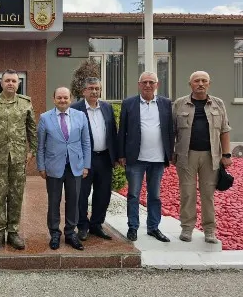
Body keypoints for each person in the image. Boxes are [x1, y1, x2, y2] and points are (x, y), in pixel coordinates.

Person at [0, 69, 37, 250]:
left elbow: (32, 129)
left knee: (16, 195)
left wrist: (32, 151)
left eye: (14, 81)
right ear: (1, 83)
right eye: (7, 81)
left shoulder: (26, 103)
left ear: (18, 84)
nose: (10, 83)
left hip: (18, 157)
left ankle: (13, 232)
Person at [173, 71, 233, 244]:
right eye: (196, 81)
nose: (200, 83)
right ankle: (187, 228)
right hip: (186, 156)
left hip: (210, 156)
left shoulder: (218, 104)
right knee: (187, 193)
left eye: (204, 81)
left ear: (209, 84)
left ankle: (209, 231)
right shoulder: (179, 104)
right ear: (190, 84)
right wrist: (171, 155)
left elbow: (225, 130)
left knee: (208, 194)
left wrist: (226, 154)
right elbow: (172, 132)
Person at [118, 71, 174, 243]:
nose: (148, 85)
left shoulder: (165, 103)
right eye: (145, 82)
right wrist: (121, 154)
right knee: (133, 195)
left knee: (155, 196)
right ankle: (132, 227)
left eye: (151, 82)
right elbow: (122, 131)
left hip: (157, 159)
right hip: (136, 159)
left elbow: (170, 130)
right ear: (139, 84)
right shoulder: (129, 103)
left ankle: (153, 227)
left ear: (157, 85)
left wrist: (169, 154)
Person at [37, 87, 91, 250]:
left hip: (75, 166)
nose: (62, 100)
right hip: (53, 166)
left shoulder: (80, 116)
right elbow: (40, 146)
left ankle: (70, 233)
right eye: (59, 97)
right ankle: (54, 233)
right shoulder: (45, 118)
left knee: (74, 201)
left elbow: (86, 142)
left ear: (71, 99)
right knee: (54, 201)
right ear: (54, 99)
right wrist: (41, 166)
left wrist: (86, 165)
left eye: (65, 98)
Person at [71, 77, 118, 241]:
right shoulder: (75, 109)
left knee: (103, 194)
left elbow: (113, 132)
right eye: (90, 88)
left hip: (104, 158)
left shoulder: (107, 107)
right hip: (84, 159)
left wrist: (116, 156)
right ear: (84, 91)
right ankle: (82, 226)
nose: (94, 91)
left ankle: (97, 224)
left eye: (97, 88)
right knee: (82, 194)